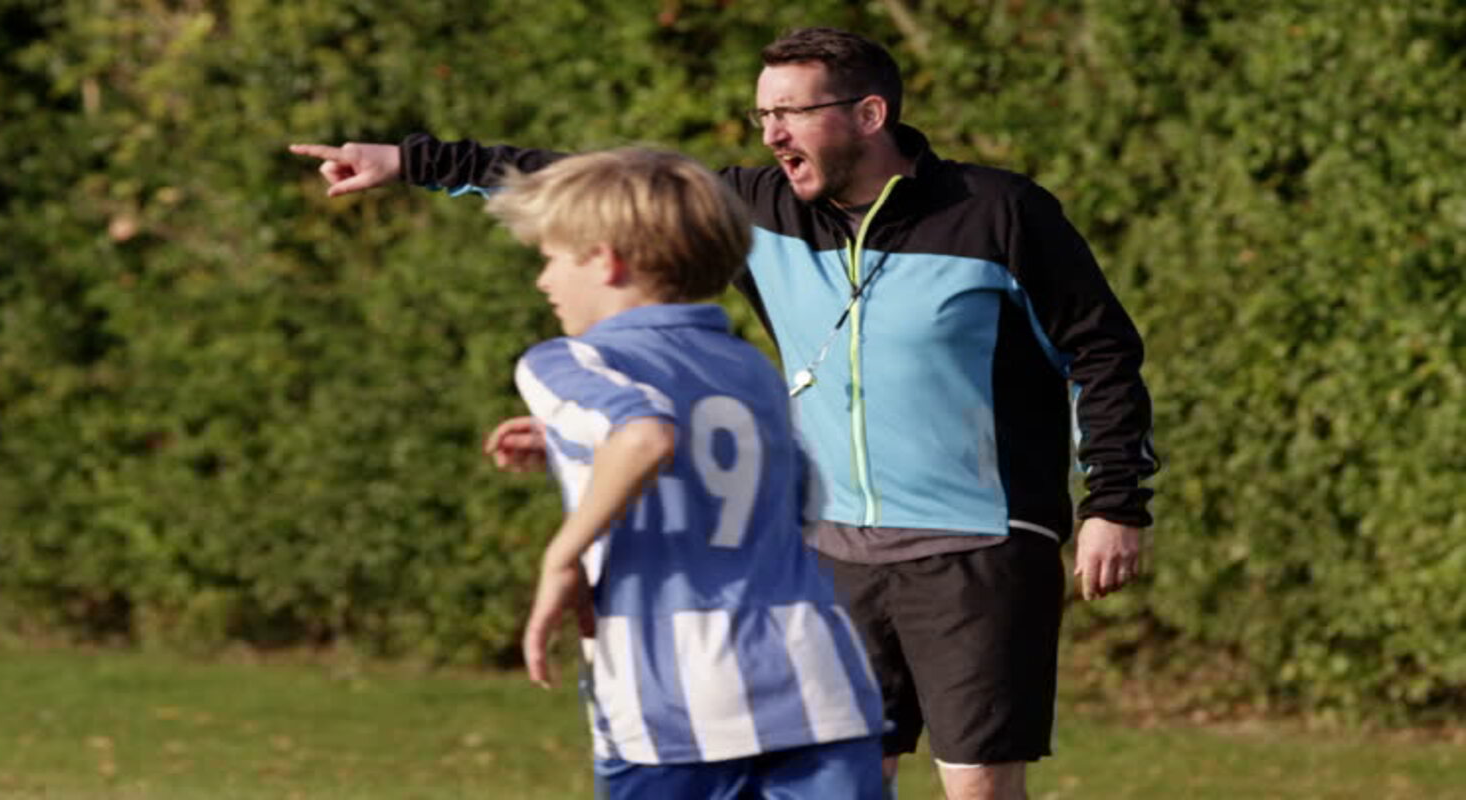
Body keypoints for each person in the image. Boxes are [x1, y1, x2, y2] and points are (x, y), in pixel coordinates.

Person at [291, 26, 1158, 800]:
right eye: (763, 115)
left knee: (976, 785)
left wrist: (1115, 502)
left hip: (979, 540)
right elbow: (608, 187)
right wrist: (414, 162)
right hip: (825, 548)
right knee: (852, 776)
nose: (772, 133)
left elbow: (1101, 351)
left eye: (792, 112)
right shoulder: (760, 209)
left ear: (869, 114)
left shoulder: (998, 213)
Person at [476, 147, 889, 799]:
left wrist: (561, 557)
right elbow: (801, 497)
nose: (543, 281)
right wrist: (570, 441)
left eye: (552, 258)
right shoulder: (750, 367)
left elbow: (645, 435)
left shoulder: (565, 360)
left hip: (668, 695)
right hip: (813, 680)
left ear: (605, 259)